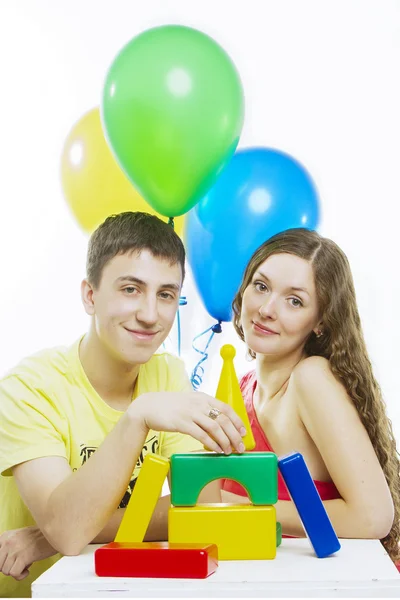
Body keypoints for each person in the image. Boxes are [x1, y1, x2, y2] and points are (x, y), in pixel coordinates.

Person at [0, 212, 246, 598]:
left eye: (166, 294)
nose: (150, 315)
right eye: (130, 289)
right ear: (90, 295)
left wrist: (45, 536)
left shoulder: (167, 375)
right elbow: (68, 531)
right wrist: (137, 417)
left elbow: (198, 507)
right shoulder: (28, 388)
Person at [222, 227, 400, 565]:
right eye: (261, 286)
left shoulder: (310, 378)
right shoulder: (244, 386)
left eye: (295, 301)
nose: (266, 309)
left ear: (320, 322)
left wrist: (244, 510)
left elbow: (373, 516)